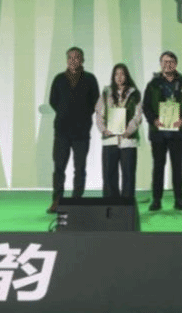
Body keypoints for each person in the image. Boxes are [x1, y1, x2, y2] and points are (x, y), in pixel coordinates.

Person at [141, 51, 182, 211]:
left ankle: (179, 199)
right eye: (165, 62)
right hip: (158, 132)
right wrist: (154, 120)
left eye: (171, 61)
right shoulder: (153, 84)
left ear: (176, 64)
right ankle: (156, 200)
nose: (168, 64)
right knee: (158, 167)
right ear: (160, 64)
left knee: (177, 167)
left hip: (177, 132)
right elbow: (146, 106)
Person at [46, 46, 99, 213]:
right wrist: (65, 113)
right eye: (70, 57)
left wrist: (81, 115)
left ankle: (77, 200)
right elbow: (53, 101)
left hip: (82, 131)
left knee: (80, 167)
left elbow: (95, 102)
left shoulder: (90, 79)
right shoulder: (59, 79)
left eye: (76, 57)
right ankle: (57, 200)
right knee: (59, 167)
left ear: (82, 60)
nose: (73, 60)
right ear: (66, 60)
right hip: (62, 131)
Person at [94, 63, 143, 199]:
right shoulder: (106, 93)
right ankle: (111, 204)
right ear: (113, 76)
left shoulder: (134, 93)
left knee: (128, 175)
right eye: (116, 74)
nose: (119, 77)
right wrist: (104, 130)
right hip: (110, 140)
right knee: (109, 175)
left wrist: (128, 131)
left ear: (127, 76)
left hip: (128, 140)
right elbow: (99, 113)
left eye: (122, 74)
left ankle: (126, 205)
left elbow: (138, 115)